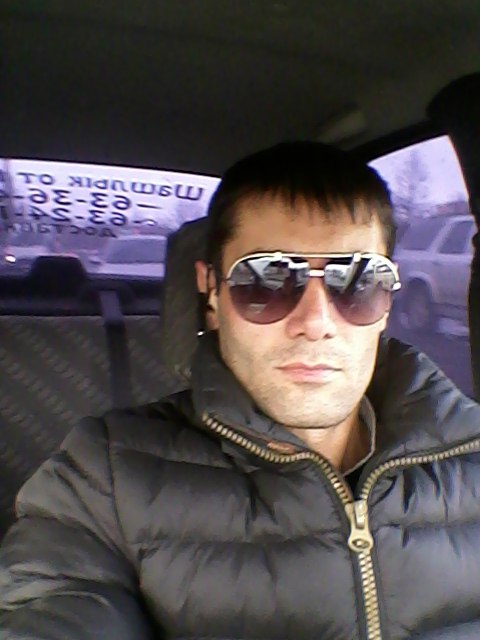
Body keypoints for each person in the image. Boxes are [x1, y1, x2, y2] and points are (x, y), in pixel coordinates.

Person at [1, 141, 480, 640]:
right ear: (211, 292)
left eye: (358, 280)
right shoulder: (104, 478)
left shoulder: (471, 456)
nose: (316, 322)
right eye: (267, 281)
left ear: (387, 301)